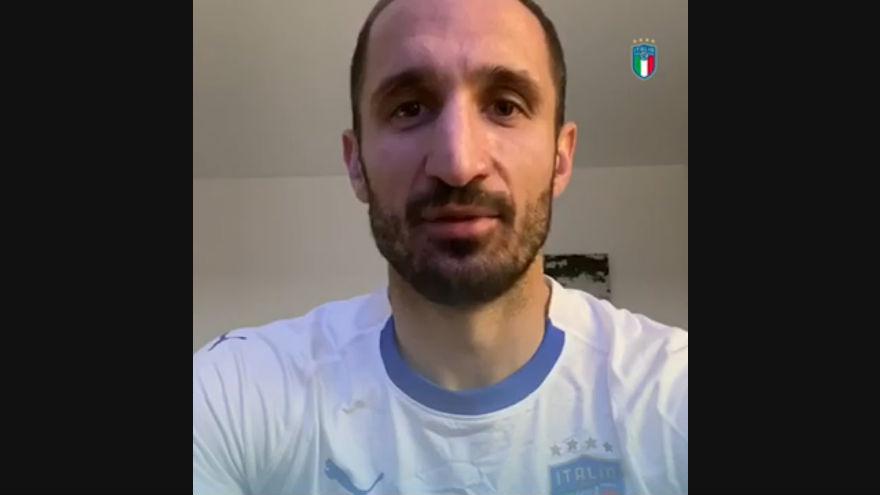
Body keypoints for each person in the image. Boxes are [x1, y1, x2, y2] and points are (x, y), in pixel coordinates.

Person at [193, 0, 688, 493]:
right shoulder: (236, 391)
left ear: (561, 158)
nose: (458, 164)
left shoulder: (671, 394)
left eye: (505, 106)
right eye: (409, 108)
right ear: (356, 164)